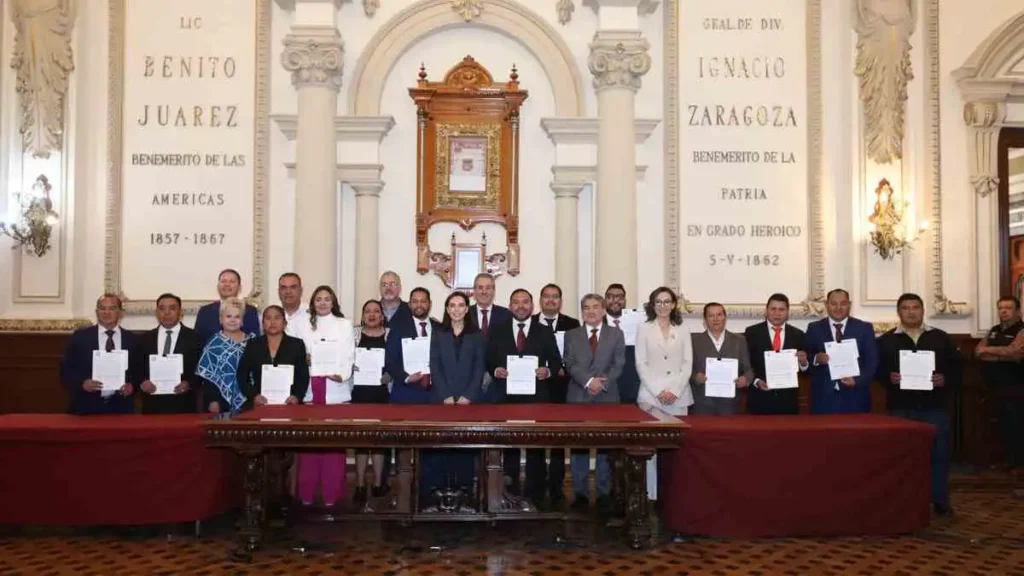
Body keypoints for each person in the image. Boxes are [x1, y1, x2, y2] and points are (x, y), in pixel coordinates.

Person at [877, 293, 960, 516]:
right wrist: (889, 377)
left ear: (922, 310)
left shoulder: (941, 338)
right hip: (900, 408)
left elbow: (957, 370)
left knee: (939, 455)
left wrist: (945, 379)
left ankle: (940, 500)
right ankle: (901, 500)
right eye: (906, 308)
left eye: (915, 307)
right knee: (901, 457)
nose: (911, 311)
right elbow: (877, 372)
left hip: (935, 408)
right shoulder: (886, 341)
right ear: (899, 312)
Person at [486, 288, 562, 505]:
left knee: (535, 446)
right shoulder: (498, 330)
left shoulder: (544, 330)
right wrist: (495, 370)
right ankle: (508, 490)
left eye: (525, 302)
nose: (521, 306)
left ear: (532, 306)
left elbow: (556, 361)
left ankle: (535, 491)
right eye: (516, 302)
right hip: (505, 396)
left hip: (536, 398)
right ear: (510, 306)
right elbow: (489, 359)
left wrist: (547, 371)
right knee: (508, 445)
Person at [421, 291, 486, 509]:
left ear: (467, 309)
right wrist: (445, 395)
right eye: (452, 305)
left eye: (461, 305)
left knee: (465, 446)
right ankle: (437, 488)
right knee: (440, 445)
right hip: (442, 399)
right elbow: (435, 365)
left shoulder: (476, 335)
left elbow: (479, 368)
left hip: (469, 400)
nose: (456, 309)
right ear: (447, 309)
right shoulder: (439, 333)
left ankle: (464, 489)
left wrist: (468, 396)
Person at [563, 293, 625, 514]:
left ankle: (603, 493)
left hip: (606, 397)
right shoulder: (571, 335)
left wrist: (600, 382)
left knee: (604, 448)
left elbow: (619, 364)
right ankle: (579, 494)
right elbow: (569, 363)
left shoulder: (616, 334)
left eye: (595, 307)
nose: (591, 311)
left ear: (603, 310)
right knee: (579, 448)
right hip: (578, 396)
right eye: (586, 307)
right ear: (582, 312)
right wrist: (588, 381)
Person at [296, 285, 355, 508]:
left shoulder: (344, 325)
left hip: (335, 389)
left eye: (326, 299)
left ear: (333, 302)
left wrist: (340, 374)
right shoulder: (301, 324)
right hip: (311, 390)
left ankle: (332, 495)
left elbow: (349, 354)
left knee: (333, 445)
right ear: (312, 302)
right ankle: (307, 494)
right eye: (318, 299)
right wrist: (306, 359)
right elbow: (295, 353)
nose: (322, 303)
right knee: (309, 445)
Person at [634, 287, 692, 501]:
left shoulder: (684, 329)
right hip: (650, 397)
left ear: (674, 304)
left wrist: (674, 390)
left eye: (667, 301)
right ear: (652, 304)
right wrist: (659, 390)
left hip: (679, 396)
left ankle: (674, 494)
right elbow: (641, 363)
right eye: (658, 302)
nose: (663, 306)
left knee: (676, 449)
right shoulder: (643, 328)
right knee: (649, 450)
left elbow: (688, 363)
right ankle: (650, 495)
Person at [532, 283, 580, 506]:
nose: (551, 300)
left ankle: (557, 486)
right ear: (540, 300)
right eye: (546, 297)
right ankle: (537, 485)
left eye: (555, 297)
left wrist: (565, 368)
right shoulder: (530, 323)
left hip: (563, 388)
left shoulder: (572, 324)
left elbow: (577, 356)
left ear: (561, 300)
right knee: (536, 438)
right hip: (536, 387)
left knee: (560, 440)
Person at [60, 294, 136, 415]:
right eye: (102, 308)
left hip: (122, 408)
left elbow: (138, 371)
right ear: (97, 311)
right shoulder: (80, 337)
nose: (106, 312)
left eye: (112, 308)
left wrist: (133, 386)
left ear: (120, 312)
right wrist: (82, 383)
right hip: (86, 407)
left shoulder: (132, 339)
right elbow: (66, 370)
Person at [805, 288, 879, 414]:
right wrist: (816, 359)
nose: (838, 307)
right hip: (823, 398)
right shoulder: (814, 328)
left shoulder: (864, 328)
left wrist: (857, 381)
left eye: (843, 304)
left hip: (855, 397)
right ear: (826, 305)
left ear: (849, 305)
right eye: (834, 304)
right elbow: (806, 358)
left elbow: (872, 362)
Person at [975, 296, 1024, 476]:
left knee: (1017, 425)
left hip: (1017, 387)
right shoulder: (994, 331)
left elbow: (1017, 352)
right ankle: (1009, 460)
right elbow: (978, 351)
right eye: (1001, 308)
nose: (1003, 311)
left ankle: (1020, 463)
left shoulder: (1022, 330)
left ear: (1017, 311)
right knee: (1002, 425)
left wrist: (992, 352)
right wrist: (1003, 354)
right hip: (995, 387)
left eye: (1008, 308)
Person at [131, 293, 202, 414]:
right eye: (162, 308)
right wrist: (142, 382)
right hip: (151, 405)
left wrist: (189, 383)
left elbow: (202, 369)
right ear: (157, 312)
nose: (167, 313)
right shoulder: (144, 339)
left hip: (184, 405)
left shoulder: (195, 338)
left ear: (181, 312)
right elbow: (135, 368)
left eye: (172, 308)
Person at [352, 300, 391, 504]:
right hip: (359, 393)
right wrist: (351, 367)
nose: (372, 315)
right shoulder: (354, 334)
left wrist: (390, 374)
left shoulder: (390, 334)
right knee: (360, 440)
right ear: (363, 315)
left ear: (382, 315)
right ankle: (359, 484)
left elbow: (396, 361)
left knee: (379, 440)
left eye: (376, 311)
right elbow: (346, 358)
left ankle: (377, 484)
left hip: (382, 393)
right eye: (368, 311)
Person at [744, 293, 810, 415]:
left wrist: (804, 362)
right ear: (766, 310)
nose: (777, 313)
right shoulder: (752, 333)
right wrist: (756, 381)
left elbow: (805, 371)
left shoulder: (798, 335)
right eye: (773, 309)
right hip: (759, 400)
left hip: (788, 401)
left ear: (787, 312)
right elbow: (745, 364)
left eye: (781, 309)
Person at [237, 305, 308, 408]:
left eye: (277, 318)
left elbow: (303, 376)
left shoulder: (297, 345)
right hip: (260, 404)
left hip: (290, 404)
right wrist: (254, 396)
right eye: (268, 318)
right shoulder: (253, 344)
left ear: (284, 323)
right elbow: (242, 375)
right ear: (263, 324)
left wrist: (296, 396)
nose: (272, 322)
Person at [689, 302, 753, 415]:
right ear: (704, 320)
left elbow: (749, 369)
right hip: (702, 404)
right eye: (711, 316)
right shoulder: (693, 341)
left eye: (719, 315)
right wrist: (695, 377)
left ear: (725, 318)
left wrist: (746, 379)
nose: (715, 319)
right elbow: (686, 369)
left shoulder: (739, 340)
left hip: (730, 404)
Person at [197, 297, 255, 413]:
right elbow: (208, 376)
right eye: (228, 316)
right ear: (221, 319)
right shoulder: (214, 344)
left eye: (237, 317)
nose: (232, 320)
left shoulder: (252, 342)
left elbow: (256, 372)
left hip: (249, 398)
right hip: (220, 400)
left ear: (242, 320)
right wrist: (213, 400)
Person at [387, 287, 440, 405]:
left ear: (430, 304)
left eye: (423, 301)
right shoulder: (398, 328)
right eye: (415, 301)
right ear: (409, 304)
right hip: (405, 393)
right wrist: (406, 377)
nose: (419, 305)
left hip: (436, 394)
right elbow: (389, 360)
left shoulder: (441, 328)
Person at [194, 269, 260, 346]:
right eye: (223, 281)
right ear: (218, 286)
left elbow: (255, 341)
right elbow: (197, 342)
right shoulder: (205, 311)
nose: (227, 284)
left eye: (232, 281)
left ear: (239, 287)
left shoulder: (250, 311)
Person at [605, 283, 641, 405]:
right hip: (606, 385)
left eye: (619, 297)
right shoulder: (596, 323)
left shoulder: (637, 321)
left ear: (625, 300)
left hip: (632, 384)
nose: (615, 300)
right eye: (610, 296)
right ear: (605, 300)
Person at [278, 272, 308, 338]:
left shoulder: (313, 314)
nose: (288, 292)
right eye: (283, 288)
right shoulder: (271, 315)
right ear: (279, 291)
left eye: (293, 287)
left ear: (301, 290)